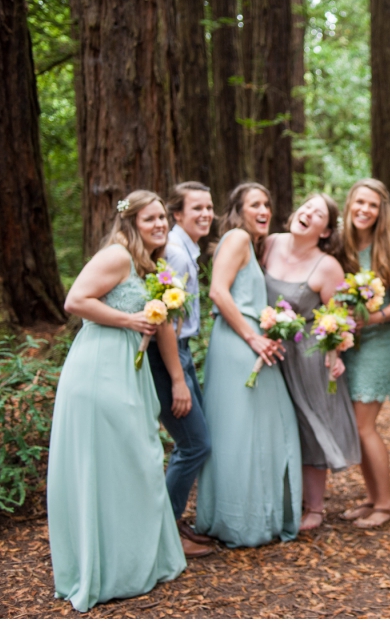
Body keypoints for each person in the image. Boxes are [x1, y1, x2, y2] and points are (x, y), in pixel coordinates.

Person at [47, 190, 191, 611]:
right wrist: (129, 319)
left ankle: (137, 560)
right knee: (112, 463)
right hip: (99, 368)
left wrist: (176, 375)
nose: (160, 224)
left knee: (135, 462)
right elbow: (75, 301)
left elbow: (162, 323)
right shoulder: (117, 257)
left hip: (129, 369)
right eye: (151, 218)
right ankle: (107, 569)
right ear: (130, 222)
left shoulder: (152, 266)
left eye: (163, 217)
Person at [193, 183, 302, 547]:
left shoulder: (252, 246)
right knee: (241, 432)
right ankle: (239, 521)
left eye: (267, 204)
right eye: (255, 204)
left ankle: (256, 516)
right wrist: (253, 337)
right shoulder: (237, 237)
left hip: (250, 339)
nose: (264, 210)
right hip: (239, 342)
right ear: (238, 211)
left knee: (257, 429)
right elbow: (218, 292)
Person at [261, 194, 357, 532]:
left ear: (326, 230)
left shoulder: (326, 266)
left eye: (317, 214)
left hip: (306, 355)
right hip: (267, 347)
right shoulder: (270, 243)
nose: (307, 213)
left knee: (310, 421)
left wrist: (335, 354)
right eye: (305, 207)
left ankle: (314, 508)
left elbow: (337, 318)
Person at [143, 181, 215, 549]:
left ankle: (172, 521)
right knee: (195, 445)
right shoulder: (174, 252)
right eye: (197, 208)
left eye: (209, 207)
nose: (205, 214)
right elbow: (164, 324)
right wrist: (178, 379)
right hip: (167, 354)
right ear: (178, 214)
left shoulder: (186, 249)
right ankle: (166, 531)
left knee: (194, 443)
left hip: (180, 350)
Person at [339, 179, 390, 529]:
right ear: (350, 203)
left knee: (364, 425)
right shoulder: (340, 244)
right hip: (349, 342)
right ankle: (371, 496)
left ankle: (386, 503)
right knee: (355, 424)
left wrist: (374, 317)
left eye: (373, 205)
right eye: (360, 203)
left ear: (382, 212)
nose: (365, 210)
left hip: (381, 341)